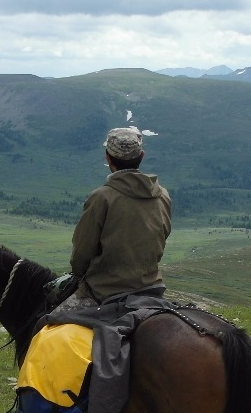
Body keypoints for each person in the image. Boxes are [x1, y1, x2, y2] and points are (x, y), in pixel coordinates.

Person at [49, 126, 172, 314]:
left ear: (108, 158)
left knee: (50, 323)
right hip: (151, 287)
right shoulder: (162, 195)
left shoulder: (102, 197)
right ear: (142, 156)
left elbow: (83, 251)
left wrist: (79, 274)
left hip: (105, 290)